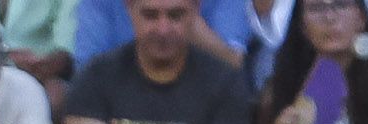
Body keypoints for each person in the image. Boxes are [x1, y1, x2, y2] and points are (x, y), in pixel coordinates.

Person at [62, 0, 251, 124]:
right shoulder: (94, 78)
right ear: (130, 9)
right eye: (150, 16)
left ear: (195, 10)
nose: (163, 29)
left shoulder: (226, 83)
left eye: (175, 16)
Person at [71, 0, 248, 67]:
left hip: (203, 101)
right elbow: (87, 70)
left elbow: (233, 64)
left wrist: (186, 19)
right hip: (120, 104)